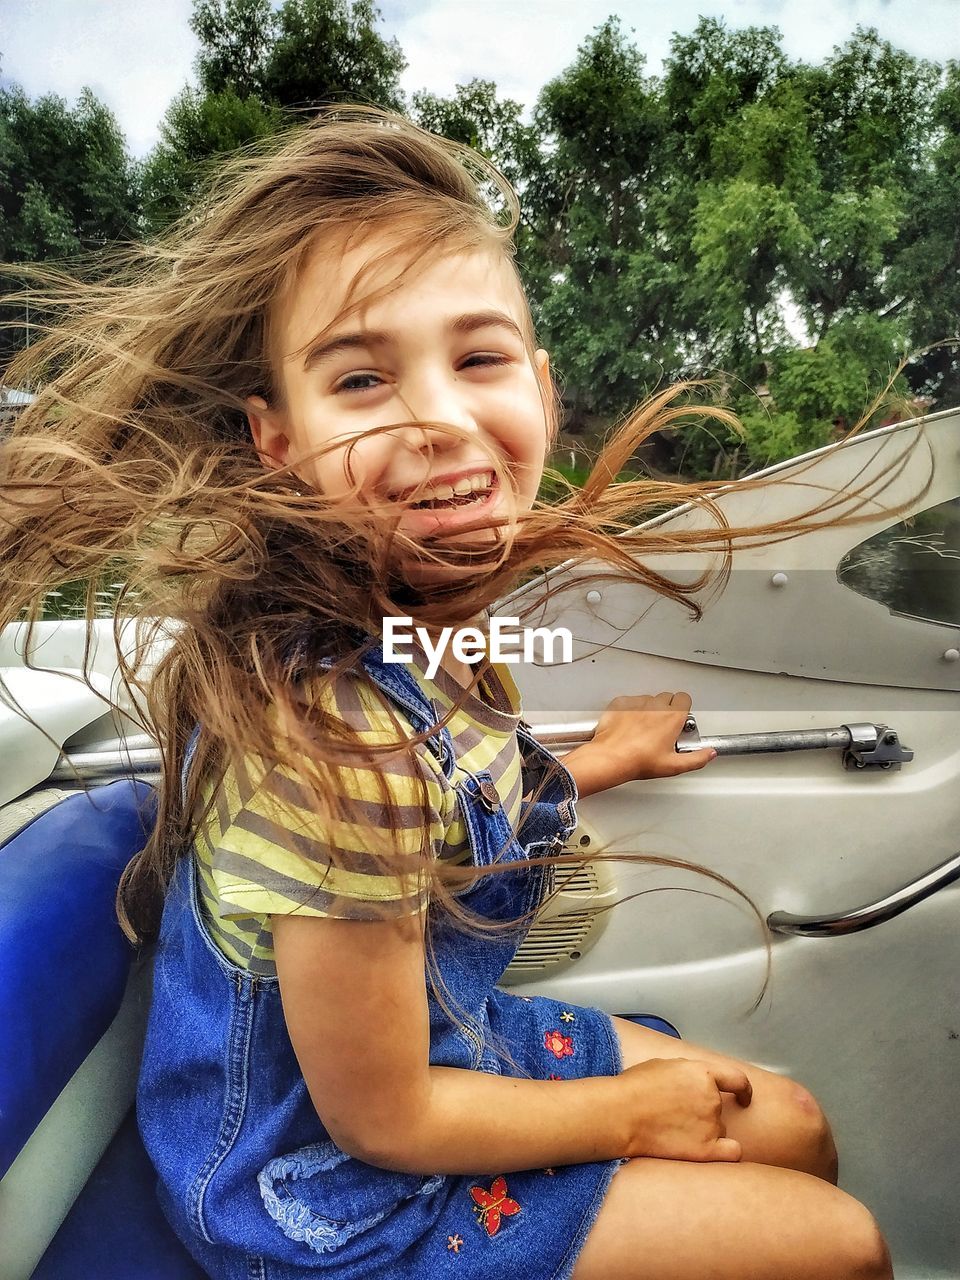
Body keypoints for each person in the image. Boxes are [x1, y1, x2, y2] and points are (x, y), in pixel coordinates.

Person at [0, 108, 895, 1280]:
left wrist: (600, 761)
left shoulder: (416, 630)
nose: (437, 419)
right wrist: (633, 1114)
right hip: (329, 1192)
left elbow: (463, 789)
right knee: (840, 1243)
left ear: (538, 379)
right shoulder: (334, 754)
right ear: (279, 438)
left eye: (477, 358)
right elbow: (387, 1121)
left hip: (436, 1044)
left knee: (792, 1125)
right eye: (363, 377)